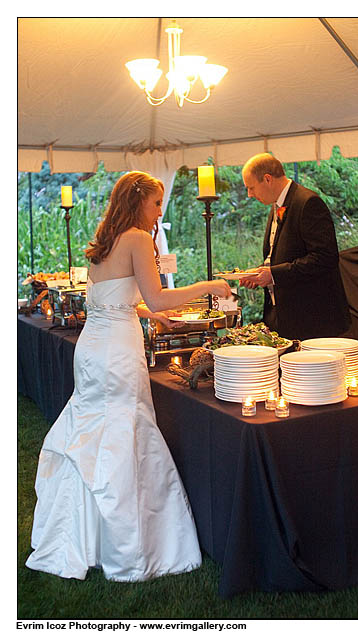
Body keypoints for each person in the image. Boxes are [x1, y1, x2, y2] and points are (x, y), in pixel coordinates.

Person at [26, 171, 232, 582]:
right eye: (156, 203)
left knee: (94, 432)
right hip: (118, 351)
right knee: (124, 433)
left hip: (91, 350)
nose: (160, 210)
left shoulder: (102, 243)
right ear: (138, 202)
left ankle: (81, 535)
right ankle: (129, 546)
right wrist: (210, 285)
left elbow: (110, 301)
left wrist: (150, 313)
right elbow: (156, 293)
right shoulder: (137, 238)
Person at [239, 153, 351, 341]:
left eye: (251, 188)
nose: (250, 194)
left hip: (312, 318)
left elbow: (325, 257)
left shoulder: (307, 202)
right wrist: (262, 273)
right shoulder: (277, 205)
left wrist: (274, 274)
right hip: (284, 316)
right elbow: (283, 254)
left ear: (267, 179)